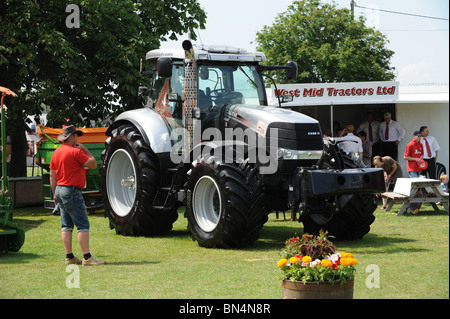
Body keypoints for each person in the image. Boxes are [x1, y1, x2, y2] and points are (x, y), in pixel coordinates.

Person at [50, 125, 105, 266]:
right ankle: (87, 257)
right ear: (72, 137)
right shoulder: (76, 152)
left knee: (66, 225)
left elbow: (52, 176)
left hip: (60, 190)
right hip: (72, 191)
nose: (78, 138)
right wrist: (85, 149)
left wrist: (54, 193)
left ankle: (69, 256)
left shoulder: (56, 153)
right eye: (76, 135)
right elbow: (93, 164)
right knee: (82, 225)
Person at [403, 130, 424, 214]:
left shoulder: (421, 144)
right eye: (418, 136)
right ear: (414, 136)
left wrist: (421, 159)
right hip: (411, 168)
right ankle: (410, 206)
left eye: (420, 136)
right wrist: (415, 159)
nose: (419, 138)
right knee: (414, 186)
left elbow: (421, 154)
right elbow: (405, 157)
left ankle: (415, 206)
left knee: (417, 188)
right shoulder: (410, 145)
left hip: (419, 168)